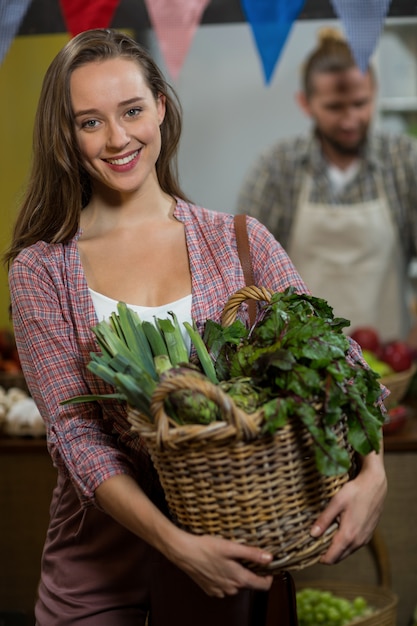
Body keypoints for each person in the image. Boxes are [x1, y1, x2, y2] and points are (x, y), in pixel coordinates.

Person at [4, 28, 387, 626]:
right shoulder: (40, 269)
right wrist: (177, 544)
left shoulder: (237, 241)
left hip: (233, 560)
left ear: (160, 106)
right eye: (89, 122)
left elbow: (339, 363)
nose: (117, 138)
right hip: (97, 573)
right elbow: (77, 438)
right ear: (65, 134)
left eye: (132, 110)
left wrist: (374, 473)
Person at [237, 27, 417, 345]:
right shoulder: (277, 168)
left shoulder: (403, 162)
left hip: (392, 358)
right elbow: (244, 270)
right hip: (303, 358)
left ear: (374, 93)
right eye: (335, 107)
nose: (350, 119)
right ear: (306, 103)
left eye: (360, 103)